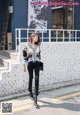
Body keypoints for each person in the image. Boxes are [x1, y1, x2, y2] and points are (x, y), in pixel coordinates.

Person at [24, 32, 41, 108]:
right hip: (30, 63)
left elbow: (39, 55)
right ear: (32, 37)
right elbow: (24, 55)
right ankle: (30, 91)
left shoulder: (38, 45)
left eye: (38, 37)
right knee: (31, 78)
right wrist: (24, 65)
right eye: (36, 37)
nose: (37, 38)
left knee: (37, 78)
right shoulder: (27, 45)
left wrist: (40, 63)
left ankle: (35, 95)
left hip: (37, 63)